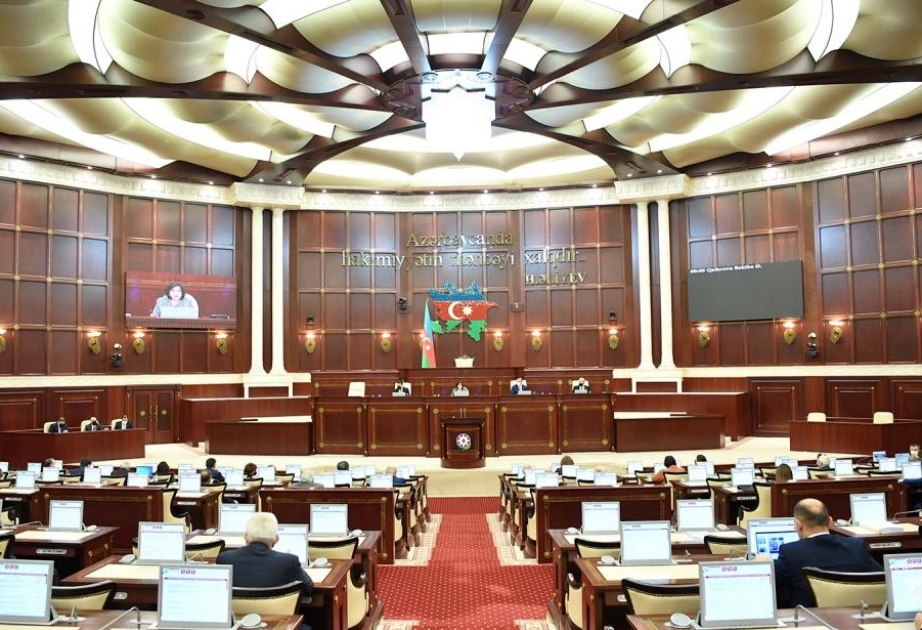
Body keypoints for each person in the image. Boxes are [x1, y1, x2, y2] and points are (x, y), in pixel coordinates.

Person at [772, 498, 881, 608]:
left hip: (811, 617)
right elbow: (882, 577)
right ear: (830, 521)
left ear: (798, 524)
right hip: (856, 615)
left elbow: (770, 580)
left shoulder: (790, 552)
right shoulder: (856, 546)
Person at [216, 512, 313, 596]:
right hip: (276, 612)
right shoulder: (289, 561)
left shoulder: (224, 559)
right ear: (276, 538)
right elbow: (308, 588)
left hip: (237, 612)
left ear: (246, 537)